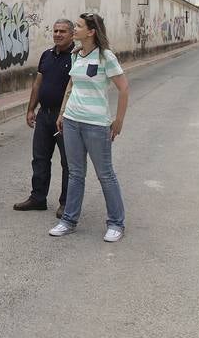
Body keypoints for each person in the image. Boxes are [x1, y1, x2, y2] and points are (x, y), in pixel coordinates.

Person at [49, 12, 129, 242]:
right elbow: (71, 85)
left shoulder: (106, 57)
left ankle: (116, 223)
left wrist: (119, 121)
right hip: (73, 121)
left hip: (96, 125)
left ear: (91, 31)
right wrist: (63, 112)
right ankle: (68, 220)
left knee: (105, 174)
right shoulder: (76, 55)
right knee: (75, 173)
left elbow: (124, 88)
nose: (75, 29)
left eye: (79, 26)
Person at [13, 19, 74, 219]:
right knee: (39, 159)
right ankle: (38, 198)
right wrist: (31, 109)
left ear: (72, 34)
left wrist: (65, 114)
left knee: (68, 163)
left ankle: (66, 203)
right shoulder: (46, 55)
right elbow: (38, 84)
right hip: (44, 114)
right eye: (55, 30)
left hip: (65, 117)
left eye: (63, 31)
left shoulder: (76, 57)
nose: (58, 34)